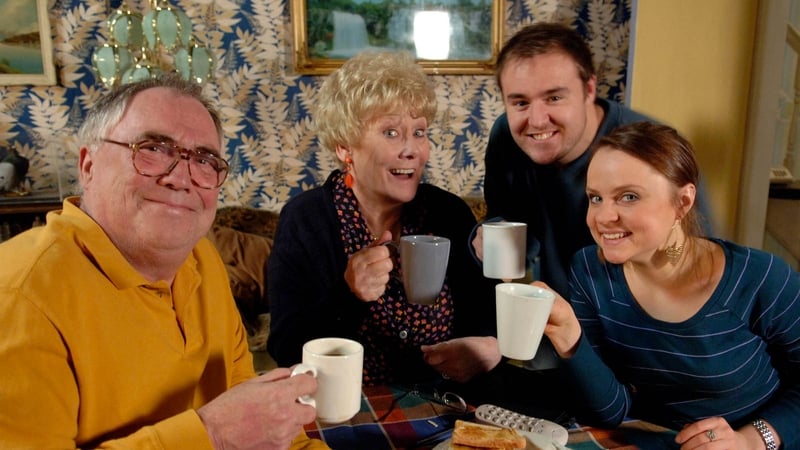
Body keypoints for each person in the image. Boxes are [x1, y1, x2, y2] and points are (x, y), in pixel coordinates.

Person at [0, 74, 327, 450]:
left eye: (204, 159)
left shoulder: (202, 258)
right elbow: (232, 430)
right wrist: (214, 435)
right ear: (88, 166)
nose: (181, 178)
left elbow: (261, 423)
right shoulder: (19, 298)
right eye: (153, 148)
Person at [541, 121, 799, 449]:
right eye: (595, 198)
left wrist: (751, 440)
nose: (604, 217)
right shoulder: (590, 271)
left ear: (683, 202)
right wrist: (568, 337)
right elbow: (611, 409)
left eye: (628, 197)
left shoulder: (761, 278)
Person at [473, 22, 712, 372]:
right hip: (546, 342)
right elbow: (504, 221)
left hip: (636, 349)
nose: (536, 120)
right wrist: (482, 239)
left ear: (588, 89)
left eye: (554, 97)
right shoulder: (506, 139)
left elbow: (694, 263)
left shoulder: (651, 153)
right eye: (520, 102)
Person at [267, 50, 501, 388]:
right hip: (350, 411)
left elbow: (488, 317)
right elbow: (286, 348)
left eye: (419, 132)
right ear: (345, 147)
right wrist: (348, 295)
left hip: (448, 408)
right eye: (391, 132)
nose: (412, 149)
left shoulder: (449, 213)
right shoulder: (305, 220)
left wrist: (489, 347)